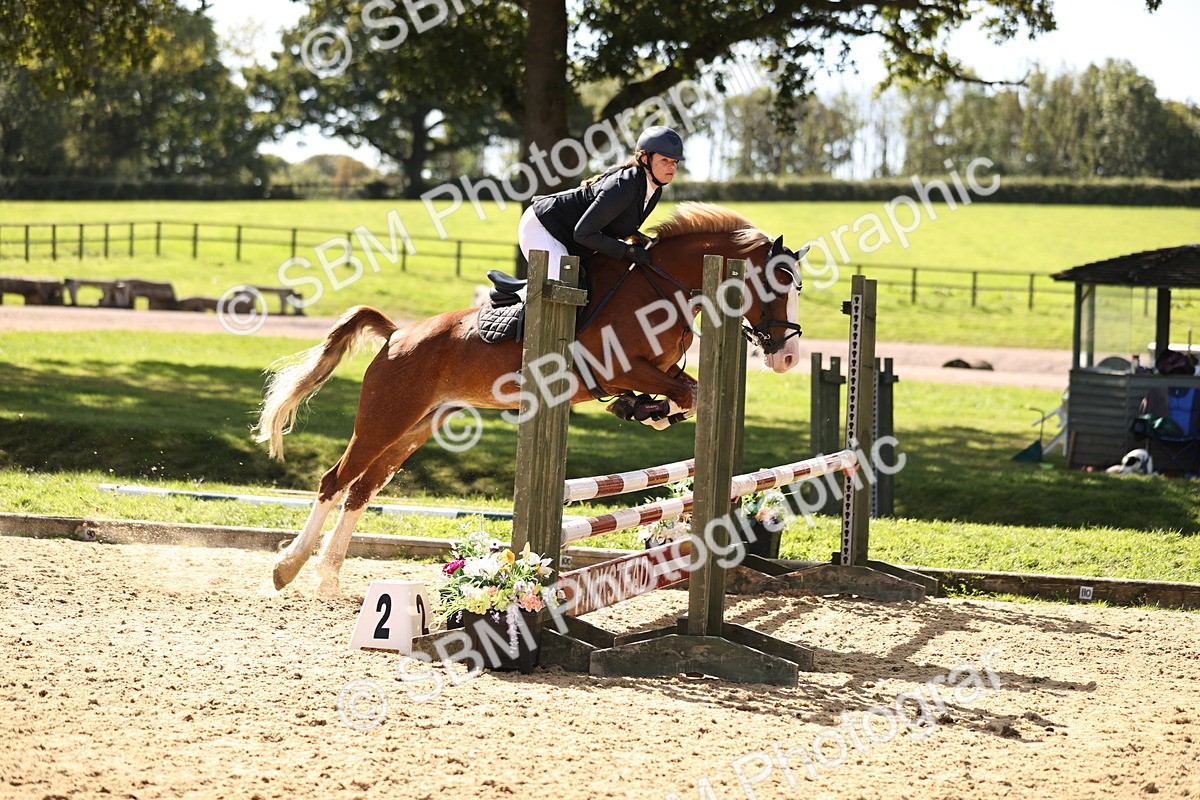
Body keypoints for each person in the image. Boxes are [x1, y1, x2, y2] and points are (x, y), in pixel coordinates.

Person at [518, 125, 684, 279]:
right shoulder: (624, 184)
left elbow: (620, 225)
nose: (671, 167)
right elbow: (583, 232)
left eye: (674, 162)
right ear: (645, 158)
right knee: (562, 286)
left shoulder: (654, 190)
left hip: (569, 237)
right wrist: (627, 251)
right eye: (665, 160)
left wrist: (647, 242)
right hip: (543, 226)